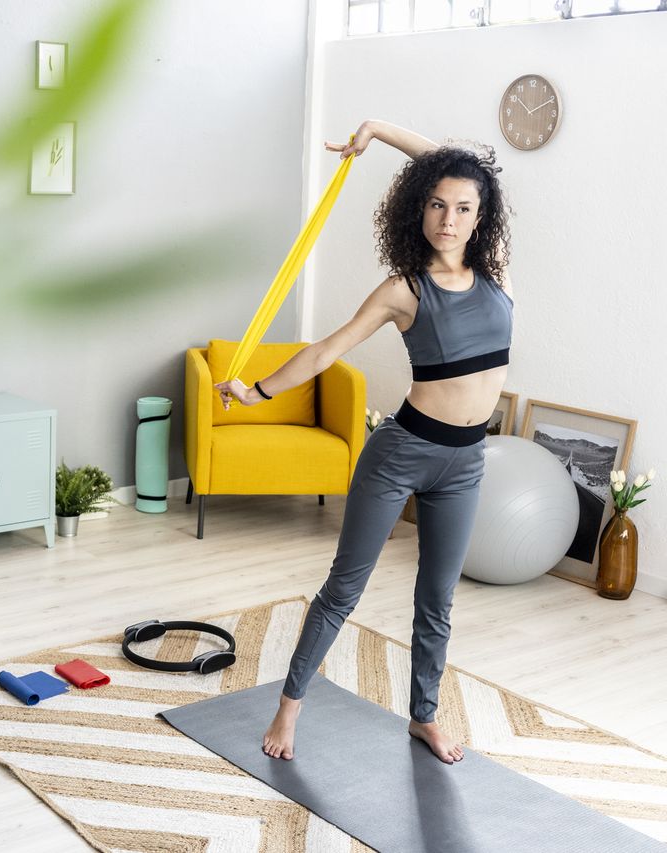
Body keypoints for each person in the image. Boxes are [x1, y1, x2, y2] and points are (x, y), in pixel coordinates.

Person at [214, 119, 514, 765]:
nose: (449, 217)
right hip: (401, 451)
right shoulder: (404, 288)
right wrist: (258, 391)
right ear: (419, 207)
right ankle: (289, 708)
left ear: (481, 214)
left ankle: (424, 716)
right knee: (344, 588)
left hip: (464, 463)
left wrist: (379, 128)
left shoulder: (499, 275)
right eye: (436, 203)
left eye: (463, 207)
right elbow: (325, 349)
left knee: (437, 598)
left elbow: (459, 165)